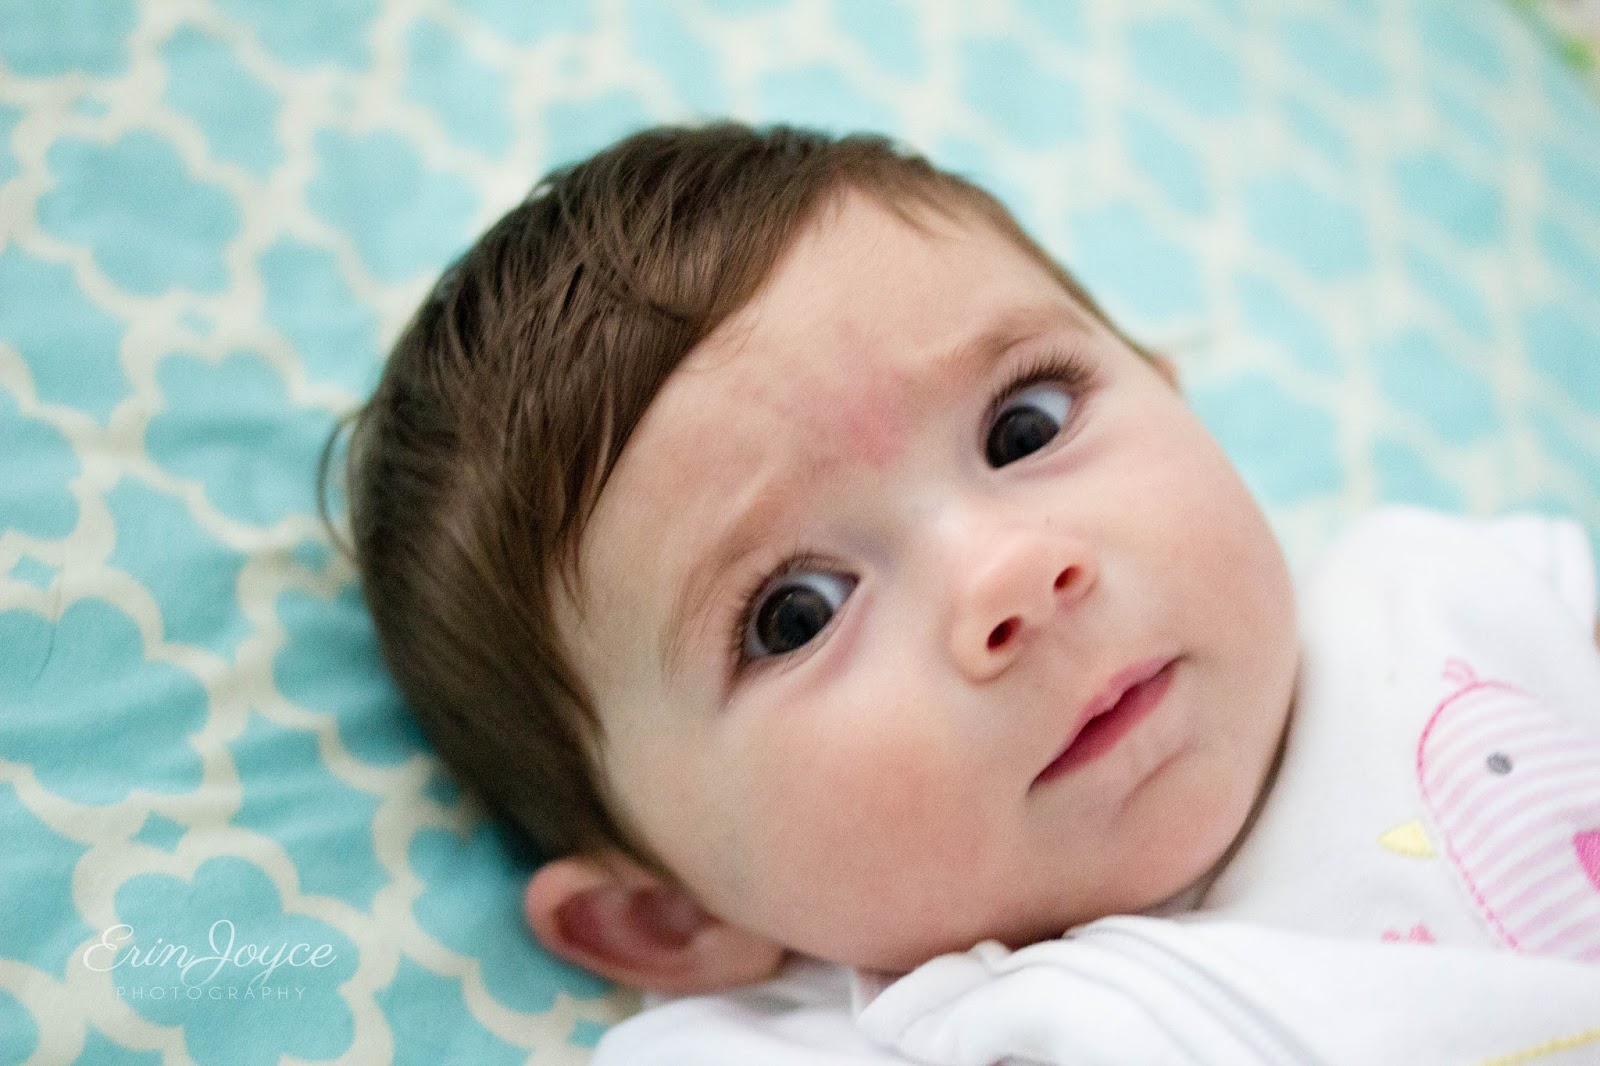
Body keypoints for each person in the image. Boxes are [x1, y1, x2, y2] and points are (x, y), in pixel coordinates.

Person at [329, 122, 1600, 1064]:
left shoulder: (1454, 596)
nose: (1012, 574)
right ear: (668, 914)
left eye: (1024, 425)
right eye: (796, 613)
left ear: (1172, 390)